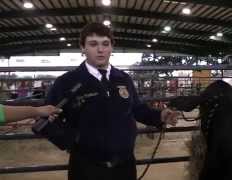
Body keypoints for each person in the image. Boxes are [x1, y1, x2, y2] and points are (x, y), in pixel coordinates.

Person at [45, 22, 180, 180]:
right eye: (93, 44)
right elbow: (44, 119)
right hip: (86, 168)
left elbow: (137, 109)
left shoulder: (123, 79)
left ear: (112, 47)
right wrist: (72, 140)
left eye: (105, 44)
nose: (100, 49)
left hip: (124, 166)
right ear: (83, 48)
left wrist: (161, 115)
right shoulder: (67, 82)